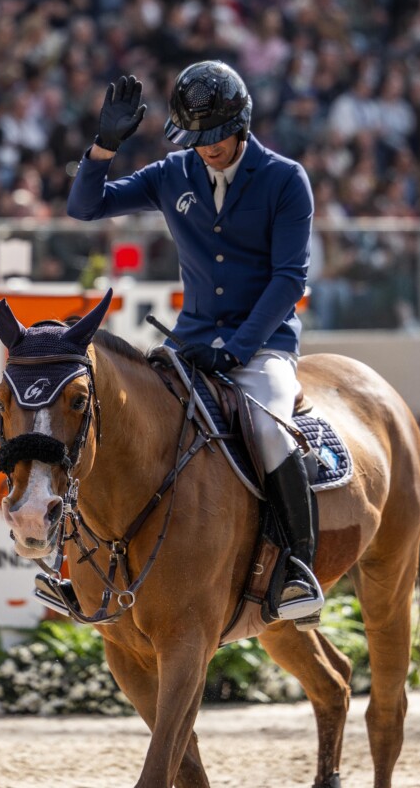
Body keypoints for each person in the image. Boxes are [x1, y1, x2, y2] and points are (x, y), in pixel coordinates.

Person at [67, 60, 324, 626]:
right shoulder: (172, 173)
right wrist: (103, 148)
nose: (207, 149)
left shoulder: (285, 178)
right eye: (197, 139)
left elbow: (290, 280)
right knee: (131, 425)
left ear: (243, 124)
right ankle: (87, 565)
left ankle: (298, 572)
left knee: (268, 432)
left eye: (216, 137)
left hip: (263, 346)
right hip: (188, 342)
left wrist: (237, 348)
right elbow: (85, 207)